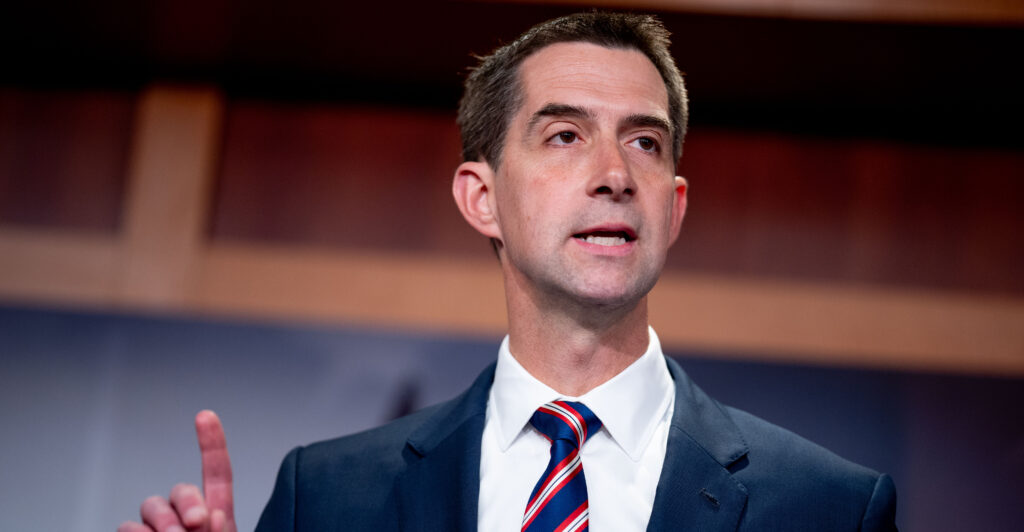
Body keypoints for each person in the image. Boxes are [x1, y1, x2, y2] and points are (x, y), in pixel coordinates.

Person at [119, 12, 898, 532]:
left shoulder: (828, 507)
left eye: (645, 143)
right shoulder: (324, 499)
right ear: (481, 197)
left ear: (675, 207)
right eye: (563, 135)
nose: (614, 175)